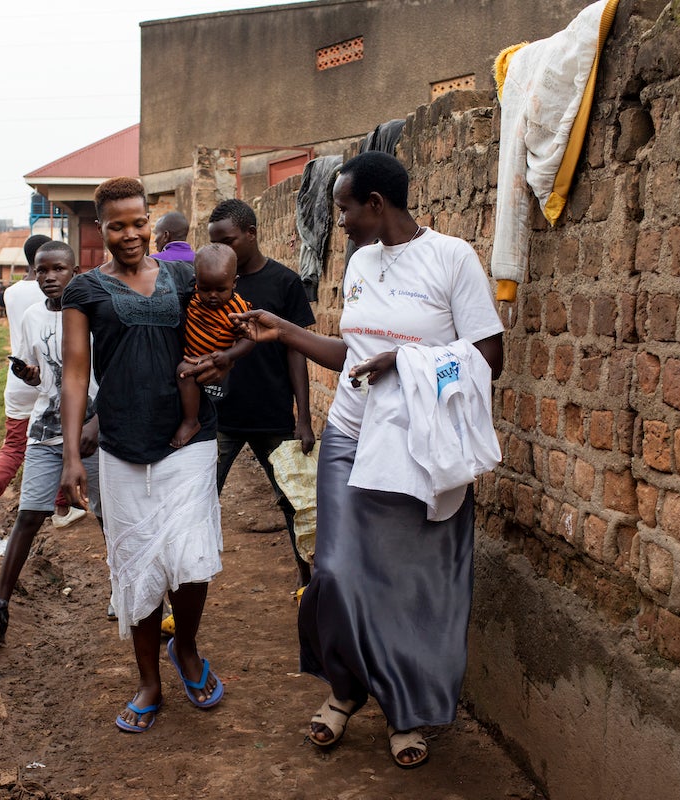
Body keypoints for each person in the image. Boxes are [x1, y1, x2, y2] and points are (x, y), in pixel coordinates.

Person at [230, 151, 504, 769]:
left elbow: (489, 354)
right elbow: (350, 352)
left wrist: (405, 363)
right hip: (351, 439)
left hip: (417, 449)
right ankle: (348, 689)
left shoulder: (452, 258)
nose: (342, 221)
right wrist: (281, 330)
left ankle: (404, 713)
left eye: (346, 208)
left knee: (406, 587)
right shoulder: (358, 263)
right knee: (335, 574)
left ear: (376, 205)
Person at [59, 177, 227, 733]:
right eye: (117, 226)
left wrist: (224, 361)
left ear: (150, 224)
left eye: (138, 224)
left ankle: (188, 649)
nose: (130, 235)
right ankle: (149, 680)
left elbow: (222, 324)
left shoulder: (183, 277)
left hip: (189, 438)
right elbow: (77, 376)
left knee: (190, 555)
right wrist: (71, 456)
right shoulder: (84, 291)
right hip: (123, 445)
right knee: (135, 565)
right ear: (101, 227)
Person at [0, 241, 102, 644]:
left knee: (112, 517)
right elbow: (42, 376)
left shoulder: (95, 313)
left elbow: (113, 371)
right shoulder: (30, 316)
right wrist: (29, 376)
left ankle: (133, 596)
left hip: (95, 429)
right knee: (29, 514)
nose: (49, 277)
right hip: (46, 428)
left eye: (58, 269)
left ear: (74, 271)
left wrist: (101, 419)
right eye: (41, 270)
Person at [207, 198, 317, 587]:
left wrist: (302, 418)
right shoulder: (210, 283)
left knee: (295, 503)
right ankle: (183, 591)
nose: (223, 251)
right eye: (215, 244)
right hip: (219, 418)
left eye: (230, 241)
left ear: (252, 234)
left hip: (272, 416)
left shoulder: (284, 282)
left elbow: (296, 352)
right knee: (198, 503)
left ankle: (307, 586)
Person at [0, 236, 83, 537]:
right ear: (40, 264)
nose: (50, 277)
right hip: (59, 382)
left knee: (15, 446)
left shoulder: (12, 293)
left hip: (21, 377)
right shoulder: (65, 289)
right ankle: (62, 506)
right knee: (64, 441)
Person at [172, 243, 252, 448]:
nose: (212, 296)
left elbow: (249, 338)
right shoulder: (193, 297)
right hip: (191, 354)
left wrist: (229, 356)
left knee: (184, 372)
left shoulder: (237, 309)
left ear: (234, 283)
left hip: (213, 363)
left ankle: (191, 422)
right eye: (205, 288)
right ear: (196, 282)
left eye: (220, 289)